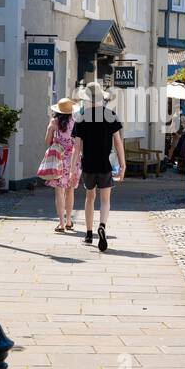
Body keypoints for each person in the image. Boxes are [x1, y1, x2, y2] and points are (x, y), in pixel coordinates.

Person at [69, 82, 125, 252]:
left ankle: (88, 233)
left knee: (89, 197)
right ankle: (102, 225)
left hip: (88, 165)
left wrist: (73, 170)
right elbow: (118, 142)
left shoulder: (81, 118)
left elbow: (76, 148)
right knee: (105, 199)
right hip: (104, 164)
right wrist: (123, 164)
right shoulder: (110, 115)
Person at [43, 97, 81, 232]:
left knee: (59, 192)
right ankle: (69, 220)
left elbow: (47, 141)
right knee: (70, 190)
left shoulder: (54, 122)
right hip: (73, 160)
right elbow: (79, 144)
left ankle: (61, 223)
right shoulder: (76, 122)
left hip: (58, 160)